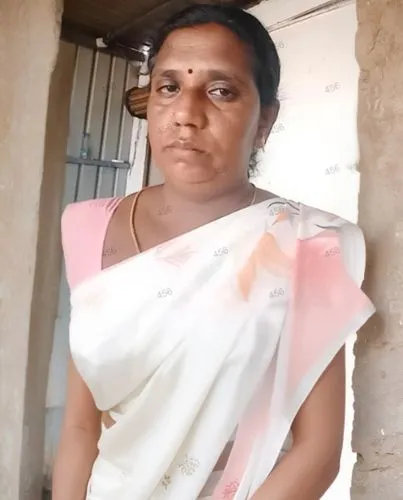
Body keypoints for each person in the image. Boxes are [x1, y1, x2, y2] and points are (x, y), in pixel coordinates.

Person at [53, 4, 375, 500]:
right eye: (169, 87)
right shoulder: (86, 227)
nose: (185, 113)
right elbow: (79, 427)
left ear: (264, 120)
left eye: (221, 91)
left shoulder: (308, 245)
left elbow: (318, 452)